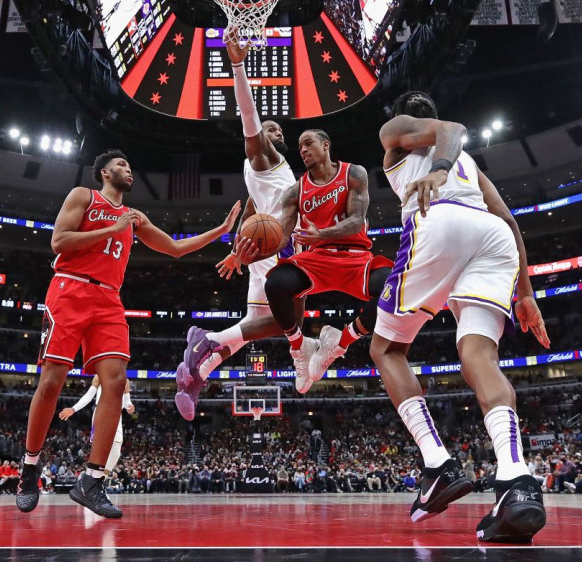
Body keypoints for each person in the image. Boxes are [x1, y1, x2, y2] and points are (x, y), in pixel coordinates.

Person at [16, 149, 240, 518]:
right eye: (121, 165)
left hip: (108, 299)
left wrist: (220, 231)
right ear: (104, 172)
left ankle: (91, 480)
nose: (128, 169)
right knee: (52, 381)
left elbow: (175, 248)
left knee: (116, 383)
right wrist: (112, 229)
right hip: (69, 289)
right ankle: (30, 465)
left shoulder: (134, 217)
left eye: (130, 165)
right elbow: (59, 242)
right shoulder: (83, 196)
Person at [369, 91, 550, 542]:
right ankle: (516, 481)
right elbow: (508, 221)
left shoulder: (396, 133)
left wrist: (435, 171)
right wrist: (526, 292)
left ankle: (438, 463)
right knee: (479, 357)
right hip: (493, 239)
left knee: (387, 348)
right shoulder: (470, 166)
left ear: (407, 120)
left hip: (441, 221)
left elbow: (452, 129)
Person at [175, 35, 303, 420]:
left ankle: (195, 377)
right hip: (281, 247)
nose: (276, 134)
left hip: (262, 247)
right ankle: (208, 340)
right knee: (290, 323)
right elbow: (248, 116)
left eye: (279, 131)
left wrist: (236, 251)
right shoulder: (264, 158)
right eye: (271, 130)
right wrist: (237, 66)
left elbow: (251, 209)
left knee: (255, 324)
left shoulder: (257, 175)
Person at [238, 129, 394, 393]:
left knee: (393, 290)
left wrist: (322, 233)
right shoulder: (294, 191)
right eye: (299, 146)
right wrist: (250, 257)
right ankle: (300, 348)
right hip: (316, 259)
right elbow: (282, 239)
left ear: (326, 144)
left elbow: (357, 219)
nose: (303, 150)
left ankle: (340, 343)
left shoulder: (353, 173)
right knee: (275, 283)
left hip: (355, 256)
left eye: (308, 143)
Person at [58, 376, 136, 476]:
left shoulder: (125, 380)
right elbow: (89, 396)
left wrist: (130, 407)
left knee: (116, 453)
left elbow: (126, 402)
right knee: (98, 451)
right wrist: (73, 409)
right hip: (101, 413)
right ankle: (91, 479)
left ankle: (101, 479)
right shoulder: (99, 375)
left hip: (117, 414)